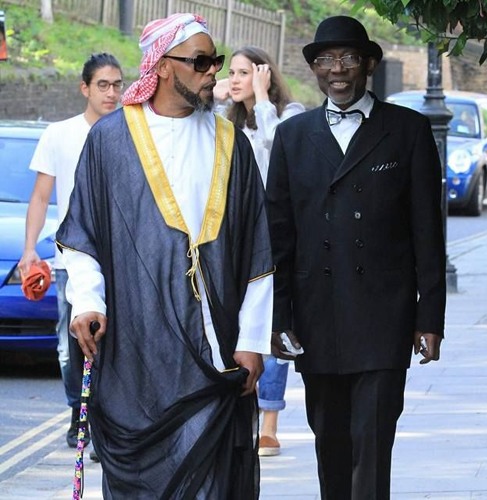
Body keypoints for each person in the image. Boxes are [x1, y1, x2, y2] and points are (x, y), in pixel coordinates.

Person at [56, 13, 274, 499]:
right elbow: (83, 234)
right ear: (163, 67)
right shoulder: (110, 140)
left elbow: (257, 249)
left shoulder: (231, 143)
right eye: (201, 61)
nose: (213, 71)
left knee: (209, 479)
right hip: (136, 347)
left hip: (213, 349)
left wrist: (252, 339)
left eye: (215, 61)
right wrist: (87, 302)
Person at [266, 16, 447, 499]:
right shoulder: (292, 136)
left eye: (348, 57)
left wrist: (430, 317)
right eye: (325, 60)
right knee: (330, 444)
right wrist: (278, 318)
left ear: (368, 64)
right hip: (317, 316)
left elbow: (428, 233)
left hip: (383, 316)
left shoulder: (407, 130)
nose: (337, 69)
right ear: (314, 69)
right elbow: (279, 236)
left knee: (373, 443)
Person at [19, 53, 123, 450]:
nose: (111, 93)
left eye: (117, 85)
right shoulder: (59, 134)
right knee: (70, 347)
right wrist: (30, 249)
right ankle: (78, 412)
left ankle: (103, 420)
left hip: (119, 261)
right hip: (70, 260)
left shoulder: (130, 133)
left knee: (115, 346)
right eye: (103, 85)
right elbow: (40, 196)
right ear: (85, 88)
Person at [215, 46, 305, 457]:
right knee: (239, 324)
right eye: (231, 73)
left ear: (264, 74)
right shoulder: (226, 120)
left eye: (243, 72)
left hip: (278, 235)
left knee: (272, 324)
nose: (234, 80)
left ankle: (269, 421)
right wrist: (210, 100)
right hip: (235, 234)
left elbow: (280, 150)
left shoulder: (289, 114)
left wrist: (264, 100)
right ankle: (243, 413)